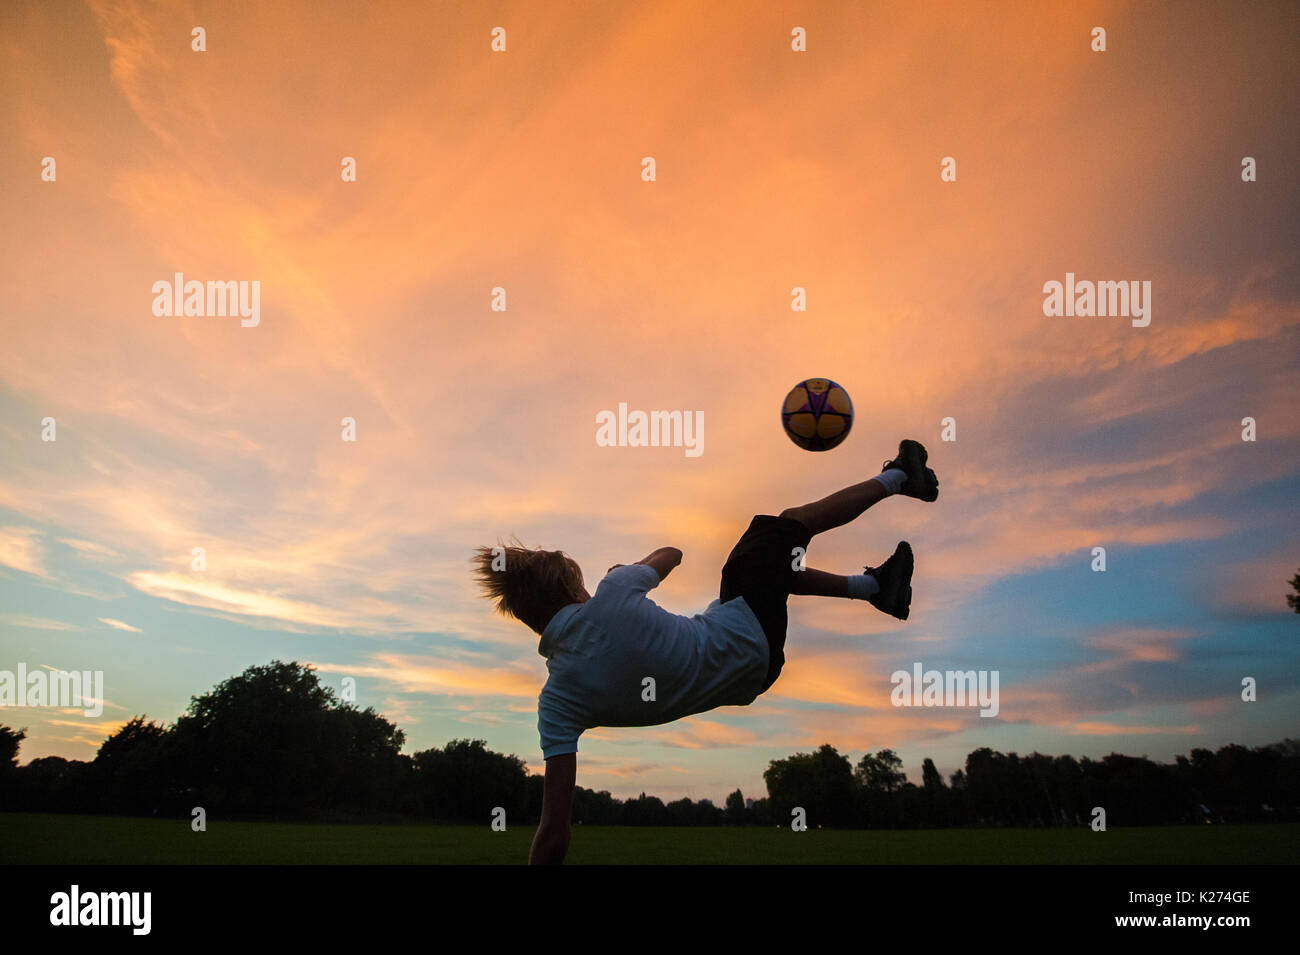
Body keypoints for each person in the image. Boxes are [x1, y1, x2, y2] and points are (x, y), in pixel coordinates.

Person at [472, 439, 939, 863]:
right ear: (575, 591)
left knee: (769, 569)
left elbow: (553, 833)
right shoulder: (612, 592)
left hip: (752, 672)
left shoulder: (555, 704)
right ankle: (900, 478)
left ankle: (876, 587)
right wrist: (627, 569)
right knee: (786, 525)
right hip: (745, 632)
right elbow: (671, 554)